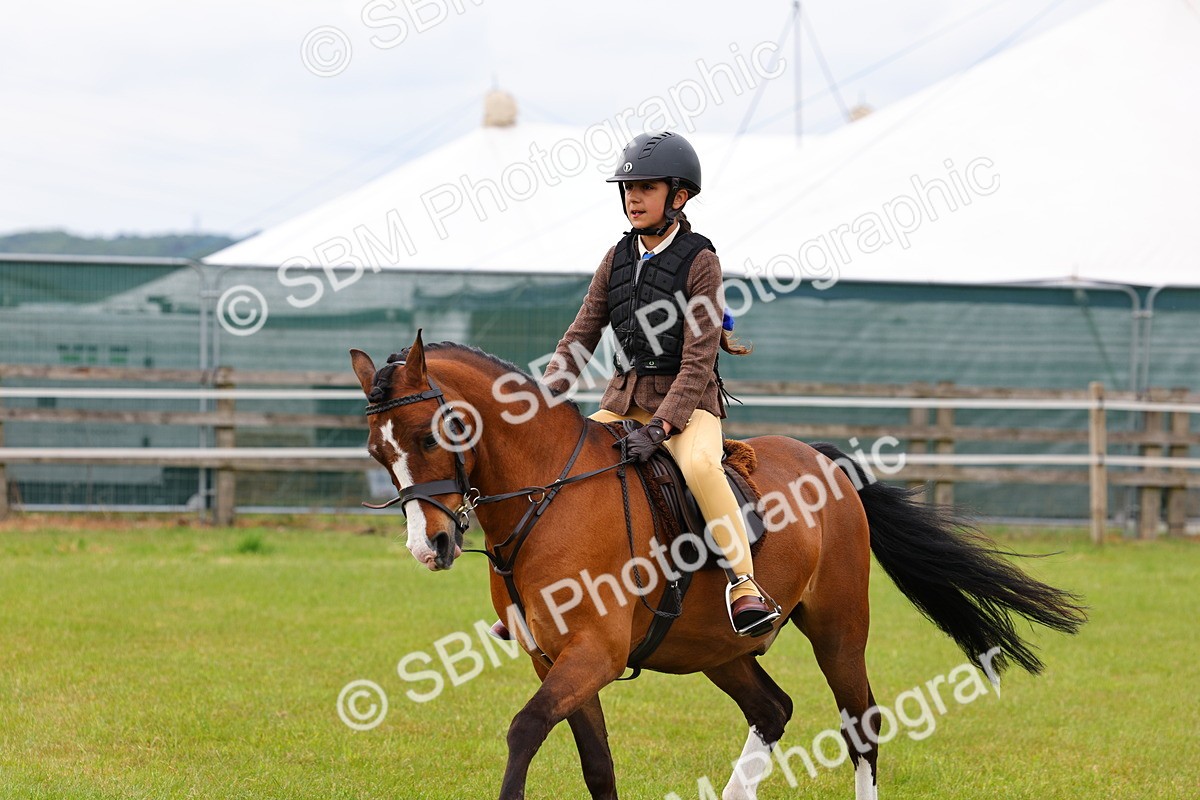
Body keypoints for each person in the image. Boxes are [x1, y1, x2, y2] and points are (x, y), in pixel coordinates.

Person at [507, 130, 779, 638]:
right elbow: (582, 332)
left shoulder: (701, 260)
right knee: (561, 464)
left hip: (688, 405)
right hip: (621, 401)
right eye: (628, 188)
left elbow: (698, 361)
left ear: (678, 197)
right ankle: (537, 593)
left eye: (647, 187)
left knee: (699, 465)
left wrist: (661, 428)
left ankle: (744, 585)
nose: (633, 197)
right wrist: (546, 400)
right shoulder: (616, 257)